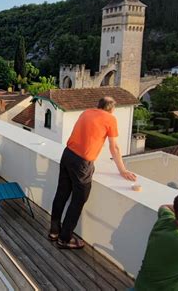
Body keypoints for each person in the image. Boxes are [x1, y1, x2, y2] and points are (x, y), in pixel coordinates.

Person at [49, 96, 137, 249]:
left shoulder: (86, 112)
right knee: (78, 200)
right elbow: (114, 147)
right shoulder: (110, 119)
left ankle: (54, 231)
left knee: (61, 194)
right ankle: (64, 239)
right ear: (112, 109)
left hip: (67, 154)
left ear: (98, 105)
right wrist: (122, 170)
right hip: (82, 162)